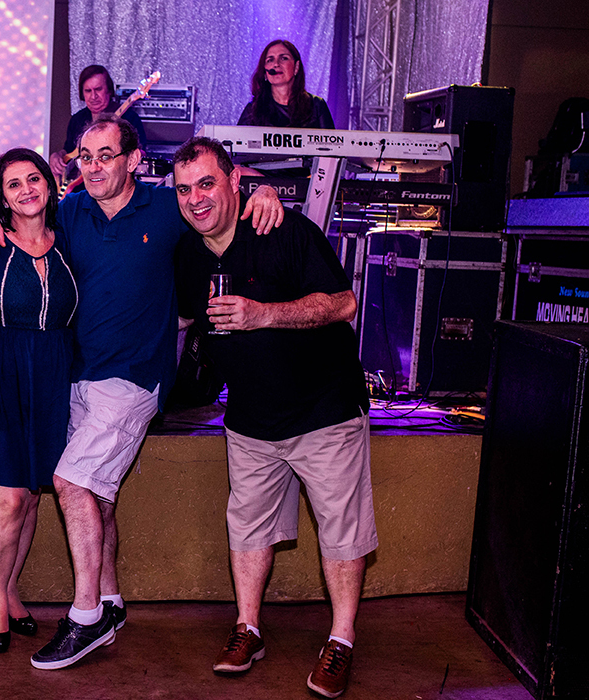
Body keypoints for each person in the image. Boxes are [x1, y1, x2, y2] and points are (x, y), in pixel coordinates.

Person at [0, 115, 285, 671]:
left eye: (106, 155)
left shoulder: (168, 206)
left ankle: (87, 617)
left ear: (134, 160)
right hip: (76, 376)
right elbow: (22, 224)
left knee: (72, 482)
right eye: (86, 157)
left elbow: (220, 195)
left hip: (135, 377)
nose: (94, 166)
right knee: (98, 496)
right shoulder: (71, 211)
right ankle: (112, 600)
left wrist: (263, 190)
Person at [172, 136, 374, 698]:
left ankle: (341, 639)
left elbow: (342, 303)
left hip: (322, 410)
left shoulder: (283, 230)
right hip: (250, 418)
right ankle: (248, 628)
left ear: (235, 181)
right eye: (184, 190)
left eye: (207, 183)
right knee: (248, 526)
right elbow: (185, 318)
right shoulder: (188, 252)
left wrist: (263, 315)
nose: (196, 199)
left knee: (341, 528)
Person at [0, 148, 76, 654]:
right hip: (2, 374)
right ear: (1, 198)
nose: (26, 190)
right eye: (13, 184)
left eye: (34, 179)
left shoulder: (70, 238)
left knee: (29, 496)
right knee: (6, 499)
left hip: (55, 378)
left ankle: (10, 591)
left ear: (49, 184)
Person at [49, 65, 147, 185]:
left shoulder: (129, 118)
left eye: (98, 89)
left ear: (109, 90)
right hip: (78, 187)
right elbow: (69, 150)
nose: (93, 96)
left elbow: (140, 153)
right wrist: (57, 156)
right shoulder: (77, 119)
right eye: (88, 91)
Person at [238, 39, 335, 129]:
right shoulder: (253, 110)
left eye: (284, 58)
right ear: (265, 72)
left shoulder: (316, 106)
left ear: (296, 67)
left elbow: (330, 141)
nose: (276, 64)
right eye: (270, 60)